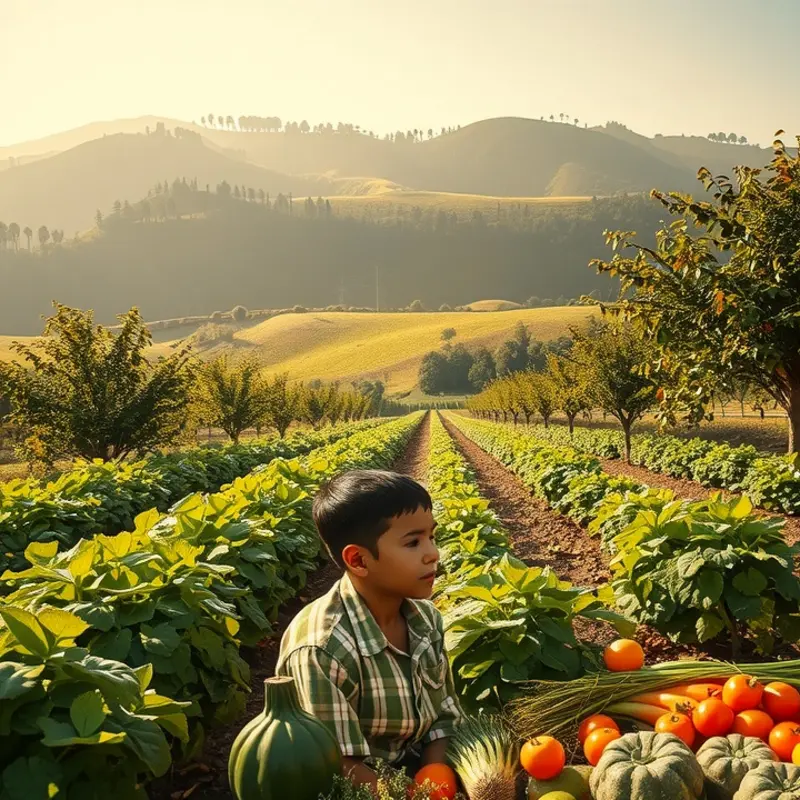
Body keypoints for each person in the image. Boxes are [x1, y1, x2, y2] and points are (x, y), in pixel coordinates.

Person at [276, 469, 462, 793]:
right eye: (413, 542)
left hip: (411, 771)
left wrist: (434, 779)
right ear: (359, 560)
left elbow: (443, 716)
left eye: (432, 536)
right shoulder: (322, 650)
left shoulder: (426, 619)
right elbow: (337, 763)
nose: (433, 553)